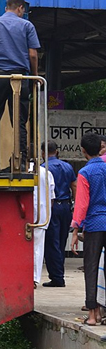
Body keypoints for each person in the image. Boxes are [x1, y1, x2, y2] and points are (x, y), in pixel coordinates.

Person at [0, 0, 41, 172]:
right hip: (20, 78)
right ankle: (21, 162)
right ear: (20, 8)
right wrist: (34, 76)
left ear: (7, 7)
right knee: (20, 122)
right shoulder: (27, 25)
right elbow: (33, 55)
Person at [70, 133, 106, 326]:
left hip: (94, 224)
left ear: (83, 151)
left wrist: (76, 228)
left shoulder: (85, 173)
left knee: (91, 268)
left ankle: (93, 315)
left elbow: (82, 204)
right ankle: (104, 314)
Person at [41, 141, 77, 287]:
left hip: (52, 207)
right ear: (56, 151)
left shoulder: (43, 168)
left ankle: (57, 277)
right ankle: (59, 273)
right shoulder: (67, 166)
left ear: (43, 153)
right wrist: (74, 204)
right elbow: (74, 185)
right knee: (61, 241)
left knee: (51, 243)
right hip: (66, 206)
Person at [33, 164, 55, 288]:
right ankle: (34, 278)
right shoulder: (46, 173)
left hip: (23, 213)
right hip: (41, 215)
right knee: (37, 248)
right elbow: (51, 197)